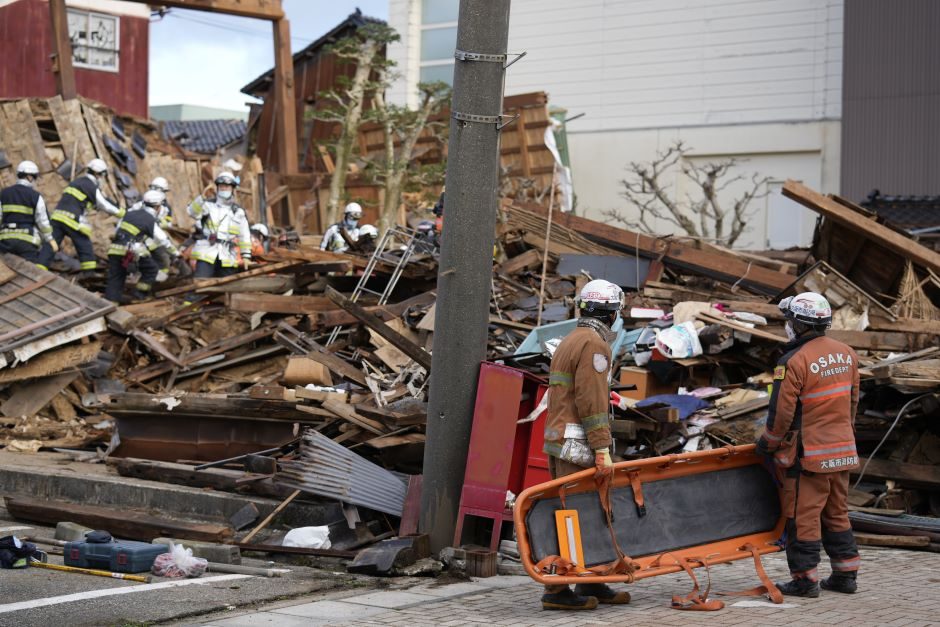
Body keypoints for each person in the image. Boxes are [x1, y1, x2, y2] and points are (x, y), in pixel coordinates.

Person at [756, 292, 861, 598]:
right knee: (837, 512)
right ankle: (846, 575)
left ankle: (805, 579)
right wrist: (844, 436)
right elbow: (852, 402)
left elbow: (781, 413)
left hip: (808, 456)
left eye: (789, 321)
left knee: (802, 515)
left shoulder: (792, 361)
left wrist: (767, 444)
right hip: (842, 450)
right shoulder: (847, 353)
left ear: (799, 324)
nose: (787, 326)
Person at [540, 279, 631, 611]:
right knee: (577, 517)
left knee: (579, 514)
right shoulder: (594, 345)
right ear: (611, 314)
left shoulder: (569, 339)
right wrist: (602, 448)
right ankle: (558, 590)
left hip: (560, 441)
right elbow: (591, 402)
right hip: (577, 446)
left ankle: (592, 579)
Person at [37, 158, 124, 273]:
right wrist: (122, 213)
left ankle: (38, 270)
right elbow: (104, 204)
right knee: (84, 245)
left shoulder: (77, 182)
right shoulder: (90, 185)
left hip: (57, 218)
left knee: (50, 246)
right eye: (102, 176)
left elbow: (84, 201)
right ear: (98, 174)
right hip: (71, 219)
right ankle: (89, 274)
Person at [105, 190, 179, 302]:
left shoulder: (130, 213)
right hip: (131, 251)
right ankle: (139, 295)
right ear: (157, 207)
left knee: (116, 276)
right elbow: (162, 239)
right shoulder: (149, 219)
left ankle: (111, 303)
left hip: (115, 249)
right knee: (151, 270)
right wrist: (177, 253)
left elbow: (118, 229)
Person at [186, 172, 251, 278]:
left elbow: (244, 235)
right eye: (221, 186)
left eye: (227, 186)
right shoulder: (208, 205)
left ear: (233, 189)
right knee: (200, 286)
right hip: (206, 252)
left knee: (228, 288)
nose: (224, 189)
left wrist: (246, 256)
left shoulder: (238, 212)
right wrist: (202, 197)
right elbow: (192, 213)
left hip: (228, 255)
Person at [0, 161, 56, 265]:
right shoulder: (35, 196)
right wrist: (50, 239)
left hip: (5, 241)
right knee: (31, 272)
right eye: (35, 178)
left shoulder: (4, 193)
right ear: (29, 177)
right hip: (27, 242)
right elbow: (43, 222)